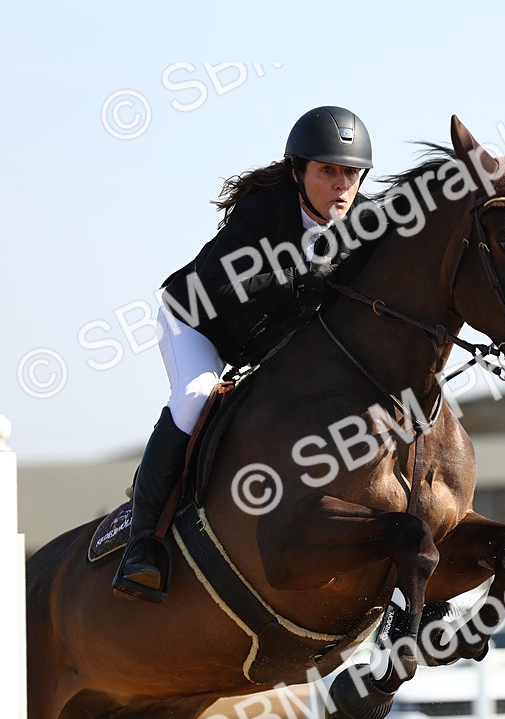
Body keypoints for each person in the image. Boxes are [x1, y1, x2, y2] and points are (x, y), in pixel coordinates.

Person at [112, 105, 374, 602]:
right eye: (327, 171)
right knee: (195, 395)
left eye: (351, 173)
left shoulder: (364, 222)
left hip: (262, 345)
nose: (342, 184)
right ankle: (140, 542)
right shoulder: (264, 211)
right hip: (195, 323)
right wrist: (302, 273)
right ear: (298, 172)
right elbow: (216, 283)